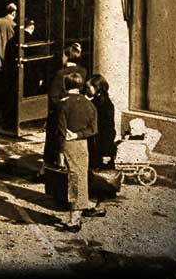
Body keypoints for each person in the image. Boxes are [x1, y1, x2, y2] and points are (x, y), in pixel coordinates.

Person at [55, 71, 103, 232]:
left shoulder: (63, 105)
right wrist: (78, 134)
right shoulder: (89, 104)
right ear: (81, 86)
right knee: (80, 177)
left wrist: (60, 152)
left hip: (68, 145)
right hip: (82, 144)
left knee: (73, 179)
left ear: (65, 85)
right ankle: (82, 207)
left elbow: (61, 131)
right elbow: (93, 129)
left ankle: (74, 219)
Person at [43, 43, 87, 169]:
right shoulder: (83, 71)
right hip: (76, 111)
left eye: (63, 55)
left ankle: (49, 166)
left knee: (54, 140)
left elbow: (53, 97)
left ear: (67, 56)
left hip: (61, 111)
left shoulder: (61, 74)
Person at [85, 74, 116, 170]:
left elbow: (108, 129)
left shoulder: (104, 105)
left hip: (101, 144)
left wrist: (106, 152)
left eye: (89, 87)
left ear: (97, 88)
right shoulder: (98, 101)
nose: (87, 90)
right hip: (96, 141)